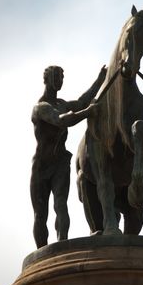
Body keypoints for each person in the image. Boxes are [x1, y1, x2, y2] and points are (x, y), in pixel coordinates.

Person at [30, 65, 105, 248]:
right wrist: (88, 112)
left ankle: (62, 244)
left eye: (62, 77)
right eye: (57, 76)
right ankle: (43, 253)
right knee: (41, 214)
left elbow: (81, 102)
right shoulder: (41, 107)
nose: (60, 80)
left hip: (60, 162)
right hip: (41, 165)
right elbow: (62, 120)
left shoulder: (62, 103)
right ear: (46, 79)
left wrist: (100, 79)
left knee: (60, 204)